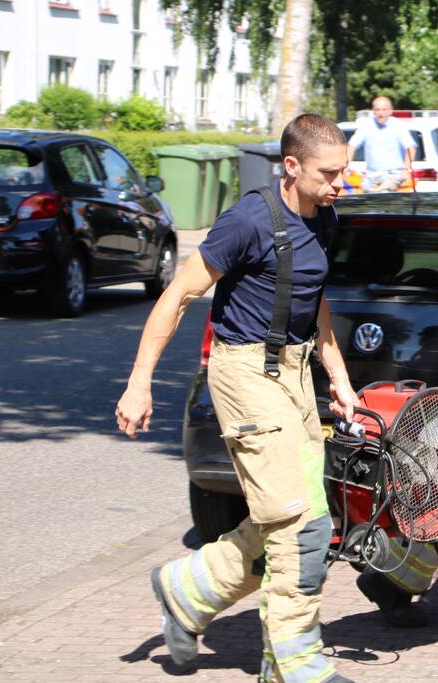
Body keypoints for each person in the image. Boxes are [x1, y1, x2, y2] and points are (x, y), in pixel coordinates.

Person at [115, 113, 358, 683]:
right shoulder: (248, 221)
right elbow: (178, 295)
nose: (338, 185)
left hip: (296, 376)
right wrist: (139, 381)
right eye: (329, 174)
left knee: (303, 516)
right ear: (292, 167)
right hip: (245, 374)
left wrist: (338, 378)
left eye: (344, 173)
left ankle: (191, 588)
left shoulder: (325, 218)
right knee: (300, 526)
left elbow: (312, 301)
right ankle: (293, 663)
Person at [346, 96, 416, 193]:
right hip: (371, 176)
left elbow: (410, 148)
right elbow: (352, 146)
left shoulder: (398, 125)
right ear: (373, 111)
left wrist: (405, 169)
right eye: (377, 110)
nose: (380, 113)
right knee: (364, 198)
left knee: (383, 192)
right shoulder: (366, 126)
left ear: (390, 111)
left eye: (384, 110)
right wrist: (346, 165)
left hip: (393, 175)